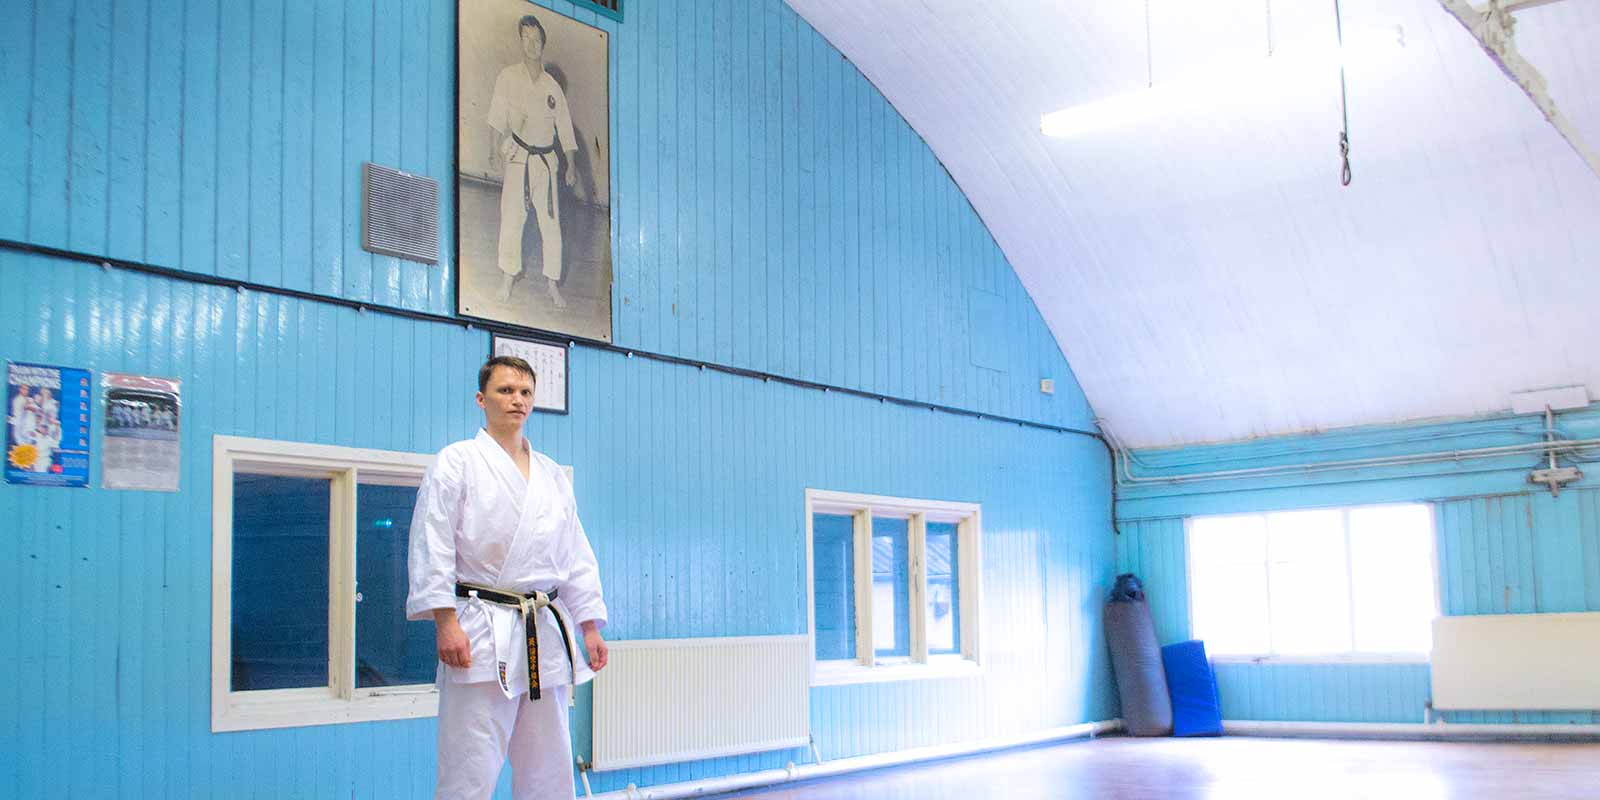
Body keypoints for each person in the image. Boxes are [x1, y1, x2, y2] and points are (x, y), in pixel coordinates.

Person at [406, 355, 608, 799]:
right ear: (481, 399)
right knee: (470, 760)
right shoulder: (455, 462)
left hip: (545, 633)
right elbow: (432, 542)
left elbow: (574, 554)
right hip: (480, 629)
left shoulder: (552, 475)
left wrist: (588, 625)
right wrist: (445, 621)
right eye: (505, 390)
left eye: (525, 392)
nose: (516, 400)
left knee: (550, 761)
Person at [487, 14, 579, 309]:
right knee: (512, 219)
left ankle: (552, 285)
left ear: (543, 42)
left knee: (551, 224)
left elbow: (564, 128)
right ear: (520, 41)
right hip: (517, 156)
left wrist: (572, 166)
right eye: (526, 37)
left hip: (545, 163)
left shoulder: (553, 87)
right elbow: (496, 118)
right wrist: (493, 151)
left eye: (536, 38)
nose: (531, 43)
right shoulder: (508, 77)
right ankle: (506, 280)